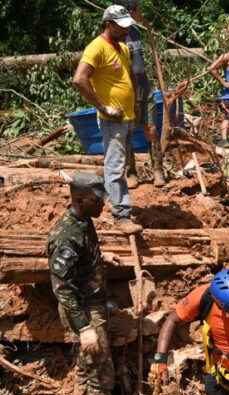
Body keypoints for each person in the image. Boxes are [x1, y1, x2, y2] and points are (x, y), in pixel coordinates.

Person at [47, 174, 132, 395]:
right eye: (98, 200)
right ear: (80, 199)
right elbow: (62, 287)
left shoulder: (83, 222)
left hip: (91, 304)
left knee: (85, 365)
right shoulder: (67, 237)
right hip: (82, 310)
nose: (103, 205)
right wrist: (84, 327)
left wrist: (100, 259)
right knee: (100, 370)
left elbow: (78, 264)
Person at [72, 5, 141, 234]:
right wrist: (103, 107)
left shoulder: (121, 47)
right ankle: (121, 215)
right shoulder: (96, 47)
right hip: (112, 119)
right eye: (121, 27)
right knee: (115, 167)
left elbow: (126, 79)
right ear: (108, 24)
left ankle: (101, 199)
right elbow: (79, 79)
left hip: (126, 117)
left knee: (117, 163)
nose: (125, 30)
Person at [114, 0, 165, 188]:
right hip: (125, 90)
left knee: (151, 129)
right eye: (136, 10)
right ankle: (131, 172)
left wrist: (145, 22)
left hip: (144, 86)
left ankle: (158, 170)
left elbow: (148, 34)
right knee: (127, 132)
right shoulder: (115, 37)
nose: (138, 13)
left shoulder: (136, 31)